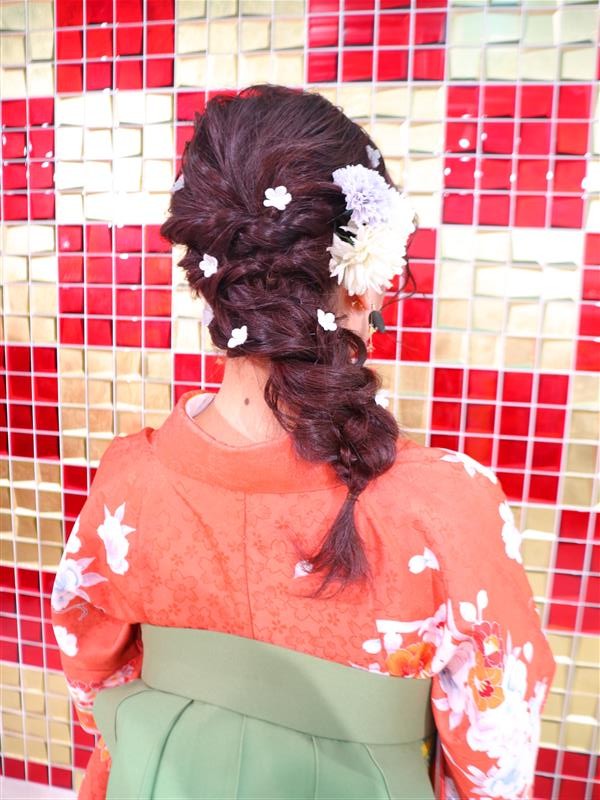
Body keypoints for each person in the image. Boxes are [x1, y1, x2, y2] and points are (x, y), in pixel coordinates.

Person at [51, 84, 556, 800]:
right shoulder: (446, 506)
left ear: (213, 281)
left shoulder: (128, 482)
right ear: (362, 279)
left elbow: (91, 674)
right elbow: (493, 757)